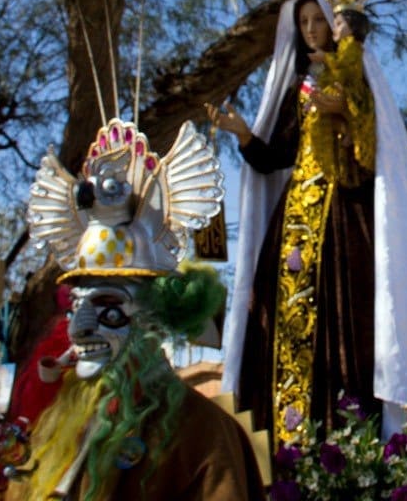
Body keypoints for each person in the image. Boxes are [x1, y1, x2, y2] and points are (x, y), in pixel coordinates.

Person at [212, 0, 407, 498]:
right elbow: (275, 157)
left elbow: (372, 148)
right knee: (281, 332)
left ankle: (346, 458)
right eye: (306, 23)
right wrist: (242, 132)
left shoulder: (358, 75)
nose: (315, 29)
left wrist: (344, 107)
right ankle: (286, 460)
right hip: (295, 220)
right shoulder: (301, 88)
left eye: (321, 20)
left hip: (347, 221)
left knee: (347, 331)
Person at [14, 118, 266, 501]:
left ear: (152, 316)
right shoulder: (62, 425)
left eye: (108, 309)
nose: (79, 330)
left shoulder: (205, 435)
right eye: (76, 308)